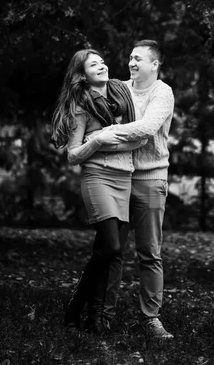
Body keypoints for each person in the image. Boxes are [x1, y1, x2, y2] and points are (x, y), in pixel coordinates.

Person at [50, 48, 147, 334]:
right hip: (98, 178)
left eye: (102, 61)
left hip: (124, 177)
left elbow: (139, 139)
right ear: (83, 75)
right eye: (94, 65)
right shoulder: (81, 106)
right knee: (111, 247)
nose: (102, 66)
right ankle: (74, 306)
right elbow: (72, 154)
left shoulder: (122, 96)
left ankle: (94, 319)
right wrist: (98, 139)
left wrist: (104, 139)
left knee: (107, 251)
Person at [93, 39, 175, 340]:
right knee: (112, 250)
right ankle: (104, 314)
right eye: (130, 57)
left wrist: (106, 134)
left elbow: (147, 128)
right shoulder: (118, 89)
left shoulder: (162, 92)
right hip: (117, 177)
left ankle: (151, 319)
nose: (132, 62)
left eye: (139, 58)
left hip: (151, 179)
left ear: (155, 64)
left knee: (149, 253)